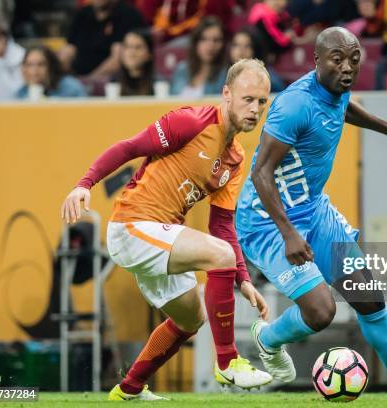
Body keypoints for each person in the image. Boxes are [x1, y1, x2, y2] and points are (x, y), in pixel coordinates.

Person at [235, 27, 387, 404]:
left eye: (354, 59)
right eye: (337, 59)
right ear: (316, 61)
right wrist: (289, 233)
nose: (347, 67)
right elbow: (261, 174)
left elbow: (344, 107)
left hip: (315, 210)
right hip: (266, 221)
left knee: (369, 298)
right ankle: (268, 339)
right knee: (321, 311)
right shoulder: (294, 105)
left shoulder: (336, 88)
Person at [61, 59, 273, 401]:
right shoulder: (190, 122)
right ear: (227, 94)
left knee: (192, 318)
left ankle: (128, 389)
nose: (255, 109)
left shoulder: (234, 158)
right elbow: (128, 148)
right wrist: (84, 184)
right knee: (220, 257)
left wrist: (243, 280)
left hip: (161, 237)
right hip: (132, 225)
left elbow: (221, 225)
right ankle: (229, 362)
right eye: (248, 98)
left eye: (262, 102)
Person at [59, 0, 146, 79]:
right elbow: (69, 48)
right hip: (78, 77)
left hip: (110, 80)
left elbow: (117, 60)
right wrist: (56, 70)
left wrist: (89, 80)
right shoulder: (82, 14)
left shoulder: (127, 15)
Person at [170, 16, 227, 97]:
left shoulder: (226, 75)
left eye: (216, 40)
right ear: (195, 42)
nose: (210, 45)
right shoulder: (181, 69)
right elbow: (169, 101)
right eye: (204, 39)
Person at [16, 45, 87, 99]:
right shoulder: (21, 94)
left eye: (41, 64)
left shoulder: (71, 87)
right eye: (29, 65)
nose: (34, 71)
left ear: (51, 66)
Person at [230, 27, 285, 93]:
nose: (241, 51)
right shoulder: (225, 75)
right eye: (236, 45)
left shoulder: (269, 80)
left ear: (256, 50)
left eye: (247, 46)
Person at [113, 29, 155, 96]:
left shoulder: (158, 83)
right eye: (127, 47)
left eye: (138, 47)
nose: (131, 53)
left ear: (149, 54)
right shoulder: (113, 81)